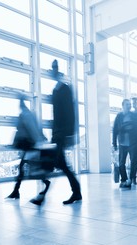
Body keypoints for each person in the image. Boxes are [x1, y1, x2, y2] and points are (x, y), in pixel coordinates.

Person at [6, 96, 51, 203]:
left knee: (30, 167)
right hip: (30, 145)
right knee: (26, 167)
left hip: (30, 145)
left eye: (20, 102)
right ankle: (16, 190)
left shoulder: (26, 114)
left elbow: (32, 129)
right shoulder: (27, 114)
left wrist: (38, 142)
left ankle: (44, 183)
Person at [50, 59, 82, 204]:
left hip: (62, 133)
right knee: (58, 162)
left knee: (59, 163)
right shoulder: (56, 90)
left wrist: (70, 133)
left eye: (55, 69)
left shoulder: (64, 89)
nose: (53, 72)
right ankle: (76, 191)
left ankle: (76, 191)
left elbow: (70, 113)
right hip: (58, 133)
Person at [112, 99, 133, 188]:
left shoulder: (133, 116)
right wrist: (114, 143)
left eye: (130, 104)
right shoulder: (119, 116)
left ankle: (131, 179)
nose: (129, 106)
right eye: (127, 104)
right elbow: (115, 130)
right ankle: (124, 180)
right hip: (122, 143)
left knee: (133, 162)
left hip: (132, 143)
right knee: (121, 163)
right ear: (123, 106)